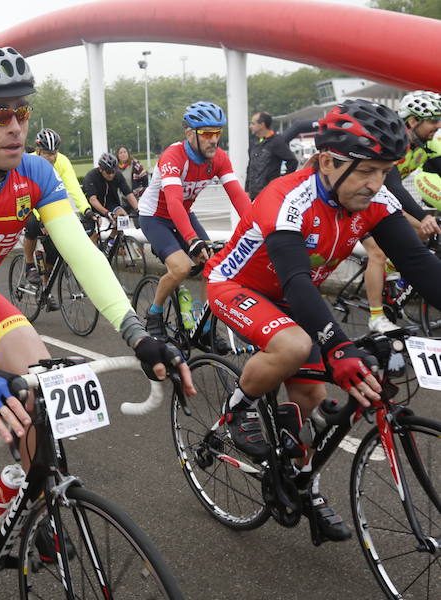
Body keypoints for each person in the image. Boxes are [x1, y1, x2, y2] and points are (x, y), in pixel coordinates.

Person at [0, 44, 194, 589]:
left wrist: (136, 332)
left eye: (22, 112)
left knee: (44, 392)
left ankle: (42, 500)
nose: (15, 127)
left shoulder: (38, 173)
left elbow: (84, 256)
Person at [205, 99, 441, 541]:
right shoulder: (287, 198)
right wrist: (337, 346)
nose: (376, 183)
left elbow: (418, 262)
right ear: (328, 161)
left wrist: (338, 349)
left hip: (295, 298)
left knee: (309, 394)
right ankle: (237, 410)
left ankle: (300, 482)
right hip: (240, 287)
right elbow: (296, 280)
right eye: (367, 170)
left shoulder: (376, 199)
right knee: (295, 348)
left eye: (385, 170)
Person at [137, 101, 251, 340]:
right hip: (155, 217)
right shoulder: (173, 156)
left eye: (217, 133)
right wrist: (192, 240)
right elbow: (174, 202)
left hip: (183, 215)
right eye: (207, 134)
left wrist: (259, 226)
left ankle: (205, 328)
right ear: (190, 133)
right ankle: (154, 313)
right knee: (182, 268)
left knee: (214, 267)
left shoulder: (219, 158)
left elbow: (237, 195)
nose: (214, 140)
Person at [359, 90, 441, 332]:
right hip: (362, 200)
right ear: (413, 121)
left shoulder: (424, 145)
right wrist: (423, 215)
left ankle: (395, 271)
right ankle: (376, 317)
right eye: (433, 120)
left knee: (425, 231)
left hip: (384, 199)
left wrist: (424, 219)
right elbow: (393, 185)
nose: (438, 126)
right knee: (377, 253)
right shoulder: (394, 141)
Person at [23, 128, 94, 291]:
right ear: (38, 152)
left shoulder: (62, 161)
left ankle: (46, 285)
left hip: (49, 205)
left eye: (54, 153)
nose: (52, 157)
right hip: (29, 204)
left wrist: (86, 210)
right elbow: (28, 195)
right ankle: (29, 264)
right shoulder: (28, 162)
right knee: (33, 223)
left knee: (55, 250)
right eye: (48, 153)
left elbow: (73, 188)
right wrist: (40, 219)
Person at [245, 111, 299, 200]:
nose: (250, 126)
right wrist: (247, 189)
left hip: (270, 193)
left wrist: (281, 181)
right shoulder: (253, 141)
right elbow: (250, 166)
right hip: (254, 194)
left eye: (253, 123)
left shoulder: (276, 141)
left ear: (262, 125)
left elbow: (293, 161)